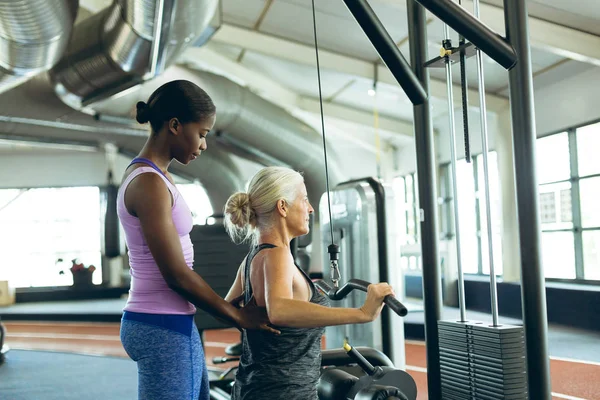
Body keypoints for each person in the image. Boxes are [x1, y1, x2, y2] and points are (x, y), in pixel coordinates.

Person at [117, 80, 278, 400]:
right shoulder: (148, 183)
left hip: (169, 321)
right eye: (202, 134)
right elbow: (176, 274)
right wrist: (237, 316)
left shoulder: (155, 175)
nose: (203, 144)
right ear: (175, 125)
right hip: (161, 324)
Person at [223, 166, 394, 400]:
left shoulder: (252, 258)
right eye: (304, 199)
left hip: (252, 386)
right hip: (285, 392)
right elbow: (280, 310)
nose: (311, 208)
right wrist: (364, 312)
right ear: (282, 207)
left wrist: (246, 319)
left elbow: (226, 309)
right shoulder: (278, 255)